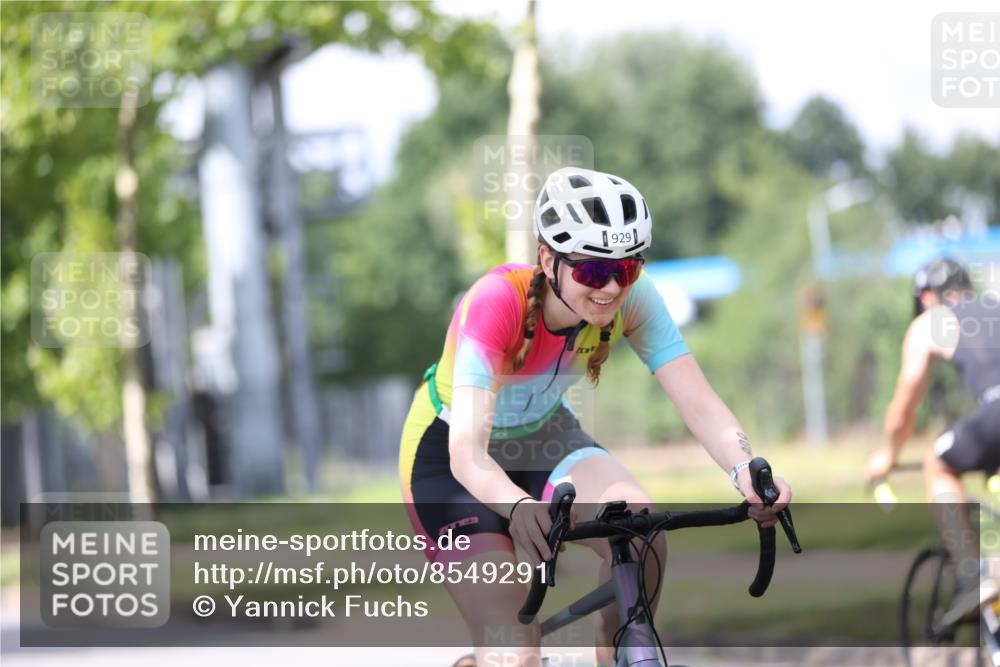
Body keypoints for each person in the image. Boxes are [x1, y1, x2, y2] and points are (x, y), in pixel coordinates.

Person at [399, 167, 792, 667]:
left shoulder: (634, 299)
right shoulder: (496, 302)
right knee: (515, 649)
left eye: (626, 269)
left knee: (640, 530)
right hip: (449, 458)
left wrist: (745, 471)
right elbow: (466, 454)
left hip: (543, 435)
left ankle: (616, 653)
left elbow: (699, 402)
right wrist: (517, 507)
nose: (610, 286)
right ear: (549, 259)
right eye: (590, 271)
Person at [866, 257, 1000, 620]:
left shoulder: (931, 322)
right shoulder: (995, 306)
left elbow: (906, 402)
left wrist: (888, 453)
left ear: (927, 297)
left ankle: (972, 576)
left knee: (938, 464)